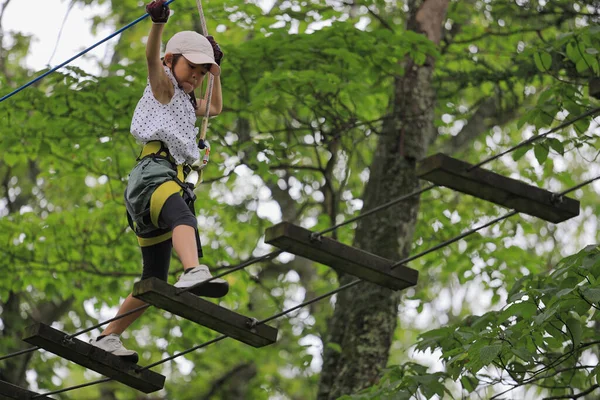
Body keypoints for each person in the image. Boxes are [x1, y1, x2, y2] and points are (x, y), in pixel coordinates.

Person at [89, 0, 228, 362]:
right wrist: (157, 24)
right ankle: (194, 269)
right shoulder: (163, 87)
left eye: (201, 73)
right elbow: (152, 58)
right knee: (183, 217)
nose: (195, 76)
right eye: (192, 68)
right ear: (172, 61)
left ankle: (107, 337)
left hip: (163, 183)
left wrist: (216, 71)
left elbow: (214, 109)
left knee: (154, 278)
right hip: (153, 175)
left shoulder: (186, 99)